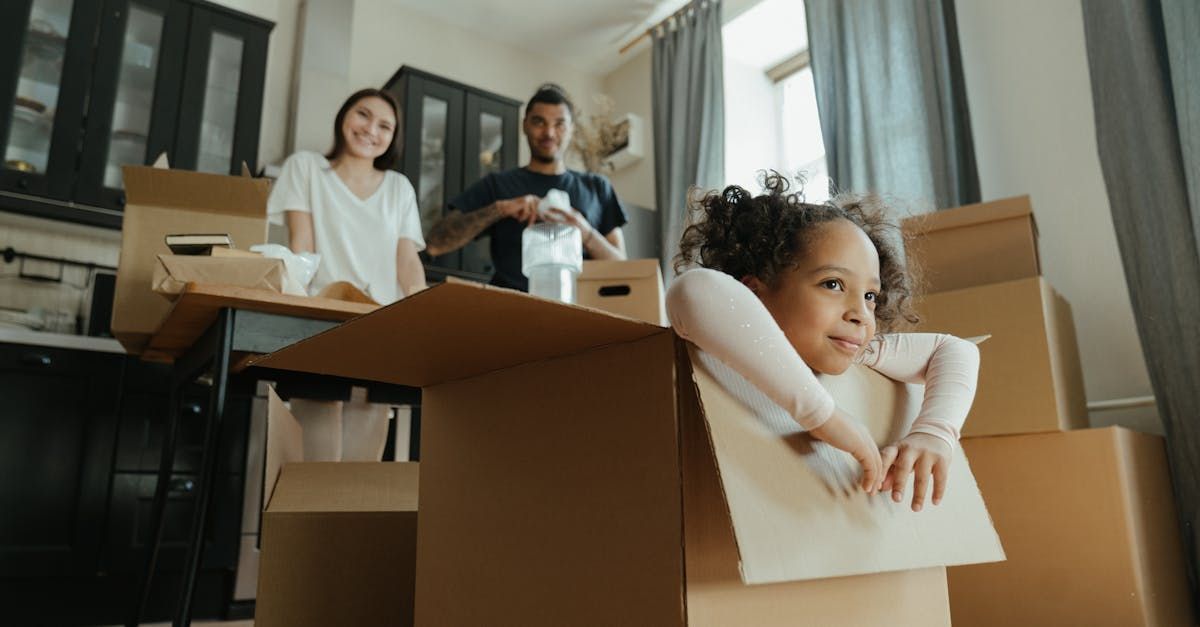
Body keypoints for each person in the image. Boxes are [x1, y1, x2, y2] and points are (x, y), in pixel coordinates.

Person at [666, 175, 980, 512]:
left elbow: (957, 349)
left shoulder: (857, 350)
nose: (860, 313)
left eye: (870, 295)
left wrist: (934, 432)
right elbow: (693, 290)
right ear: (754, 290)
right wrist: (824, 417)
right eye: (832, 284)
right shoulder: (714, 330)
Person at [424, 83, 627, 291]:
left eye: (559, 124)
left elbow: (624, 271)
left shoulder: (598, 188)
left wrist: (584, 231)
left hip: (579, 313)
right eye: (539, 122)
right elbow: (436, 243)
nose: (549, 132)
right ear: (525, 125)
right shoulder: (498, 185)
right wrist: (500, 210)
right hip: (510, 312)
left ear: (571, 129)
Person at [269, 88, 426, 304]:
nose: (370, 129)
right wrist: (299, 310)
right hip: (322, 308)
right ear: (344, 115)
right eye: (363, 114)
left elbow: (407, 260)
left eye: (384, 126)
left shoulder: (399, 187)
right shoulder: (305, 167)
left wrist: (425, 310)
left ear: (393, 138)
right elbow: (303, 245)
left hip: (382, 316)